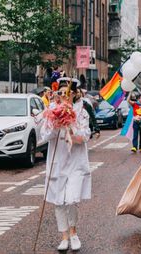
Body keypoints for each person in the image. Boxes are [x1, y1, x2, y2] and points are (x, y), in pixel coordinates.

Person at [40, 87, 91, 251]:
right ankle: (64, 236)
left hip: (75, 162)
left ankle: (74, 233)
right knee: (59, 201)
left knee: (71, 199)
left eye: (66, 92)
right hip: (58, 163)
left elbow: (84, 136)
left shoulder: (82, 112)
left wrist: (70, 125)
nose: (63, 95)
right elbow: (45, 136)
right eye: (60, 93)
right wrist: (56, 125)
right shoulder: (51, 111)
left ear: (73, 94)